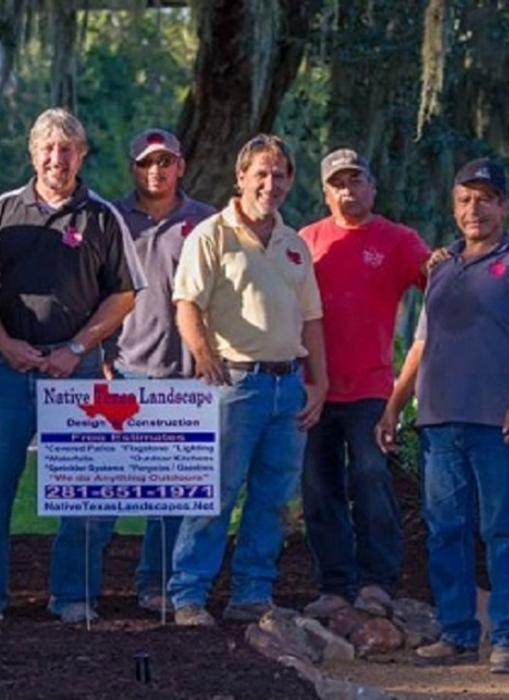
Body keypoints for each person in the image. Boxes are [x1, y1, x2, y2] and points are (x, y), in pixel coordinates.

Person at [0, 108, 144, 625]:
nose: (58, 158)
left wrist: (76, 348)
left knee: (84, 491)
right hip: (12, 370)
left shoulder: (102, 217)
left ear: (82, 155)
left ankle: (73, 596)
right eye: (49, 148)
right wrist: (6, 343)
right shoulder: (4, 211)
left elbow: (123, 297)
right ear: (33, 154)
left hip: (75, 372)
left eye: (68, 148)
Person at [376, 158, 509, 673]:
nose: (473, 208)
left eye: (484, 198)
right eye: (464, 199)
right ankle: (457, 634)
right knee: (446, 530)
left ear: (502, 205)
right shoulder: (440, 268)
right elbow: (420, 344)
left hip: (498, 421)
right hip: (438, 421)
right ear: (454, 207)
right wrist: (393, 404)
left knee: (502, 531)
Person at [169, 134, 328, 626]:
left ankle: (251, 594)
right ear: (241, 177)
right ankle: (189, 595)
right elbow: (187, 305)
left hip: (288, 388)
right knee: (215, 493)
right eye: (260, 173)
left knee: (273, 499)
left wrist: (318, 382)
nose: (270, 183)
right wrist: (203, 353)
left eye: (279, 175)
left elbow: (312, 320)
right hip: (235, 384)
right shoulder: (211, 234)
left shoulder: (295, 244)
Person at [298, 148, 430, 620]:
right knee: (318, 486)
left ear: (373, 187)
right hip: (313, 387)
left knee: (371, 480)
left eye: (357, 181)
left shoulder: (397, 240)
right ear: (325, 190)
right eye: (338, 183)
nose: (348, 190)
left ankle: (378, 581)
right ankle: (334, 584)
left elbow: (440, 286)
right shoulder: (305, 241)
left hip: (372, 388)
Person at [104, 128, 216, 613]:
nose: (157, 171)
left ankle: (158, 585)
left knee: (170, 495)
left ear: (180, 166)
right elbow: (97, 287)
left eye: (165, 162)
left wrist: (206, 359)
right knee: (105, 489)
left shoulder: (205, 221)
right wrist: (101, 356)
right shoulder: (111, 219)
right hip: (123, 367)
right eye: (147, 163)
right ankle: (84, 590)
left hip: (184, 374)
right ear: (134, 168)